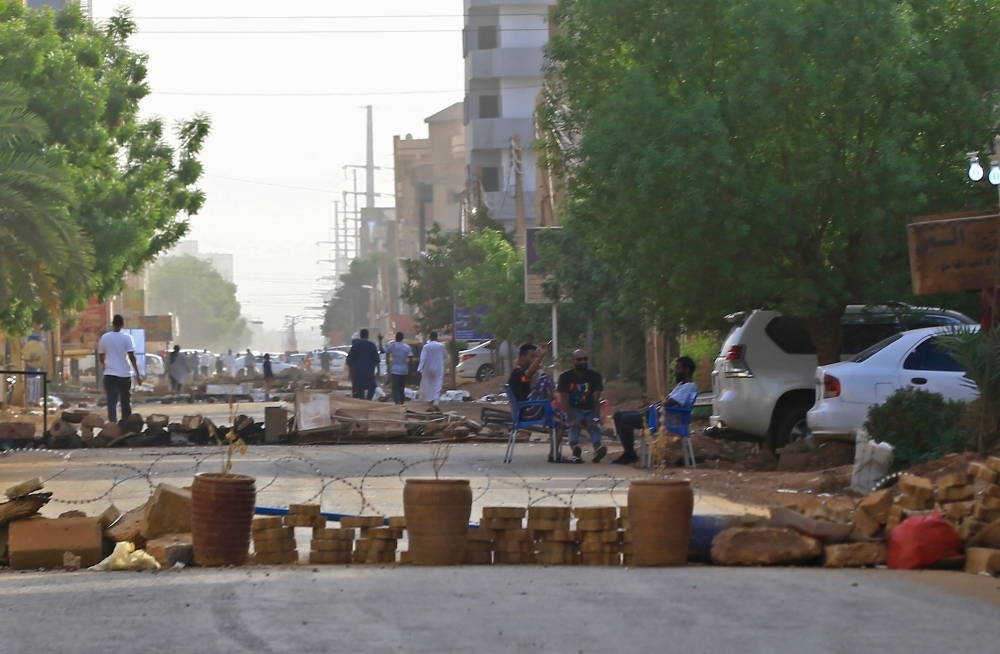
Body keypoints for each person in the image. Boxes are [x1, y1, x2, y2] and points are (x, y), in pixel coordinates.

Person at [612, 356, 700, 465]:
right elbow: (666, 400)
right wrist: (651, 407)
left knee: (626, 419)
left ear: (687, 370)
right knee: (618, 415)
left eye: (678, 368)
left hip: (666, 419)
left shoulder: (689, 386)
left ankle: (630, 454)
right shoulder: (682, 385)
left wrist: (654, 408)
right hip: (659, 414)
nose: (675, 372)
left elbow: (671, 402)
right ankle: (629, 452)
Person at [557, 349, 607, 463]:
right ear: (573, 361)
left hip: (590, 409)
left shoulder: (595, 376)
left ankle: (598, 449)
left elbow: (596, 400)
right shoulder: (565, 377)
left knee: (593, 426)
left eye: (585, 359)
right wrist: (572, 419)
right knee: (574, 426)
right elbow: (564, 401)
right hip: (574, 409)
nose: (583, 362)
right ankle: (575, 448)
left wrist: (595, 418)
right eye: (579, 360)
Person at [97, 314, 142, 423]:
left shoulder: (105, 337)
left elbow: (101, 355)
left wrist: (105, 366)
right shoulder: (127, 338)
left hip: (110, 374)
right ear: (122, 324)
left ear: (112, 324)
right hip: (125, 375)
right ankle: (126, 422)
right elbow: (132, 357)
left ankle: (113, 423)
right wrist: (138, 374)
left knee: (111, 401)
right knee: (125, 401)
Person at [346, 329, 380, 400]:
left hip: (358, 371)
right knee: (372, 387)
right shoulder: (372, 345)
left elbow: (349, 361)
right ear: (368, 335)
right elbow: (376, 360)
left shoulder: (355, 346)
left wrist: (350, 372)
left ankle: (362, 400)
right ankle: (369, 399)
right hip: (369, 370)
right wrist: (378, 371)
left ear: (360, 336)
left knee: (359, 387)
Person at [417, 331, 447, 408]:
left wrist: (420, 368)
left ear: (430, 337)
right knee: (438, 383)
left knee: (429, 383)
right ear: (436, 337)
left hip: (428, 368)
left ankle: (430, 398)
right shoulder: (441, 346)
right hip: (438, 367)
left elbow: (423, 358)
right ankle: (436, 400)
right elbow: (445, 355)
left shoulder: (426, 347)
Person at [384, 332, 413, 405]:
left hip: (395, 370)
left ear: (396, 338)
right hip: (404, 371)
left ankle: (397, 402)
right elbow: (410, 359)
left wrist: (380, 340)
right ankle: (402, 402)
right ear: (402, 338)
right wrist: (411, 370)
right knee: (401, 388)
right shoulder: (407, 347)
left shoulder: (393, 346)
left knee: (395, 388)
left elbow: (383, 350)